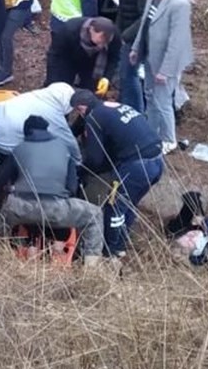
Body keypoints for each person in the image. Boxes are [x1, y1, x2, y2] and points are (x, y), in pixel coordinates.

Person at [0, 115, 105, 263]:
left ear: (26, 132)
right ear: (47, 130)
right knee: (94, 214)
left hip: (22, 209)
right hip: (57, 209)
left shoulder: (18, 150)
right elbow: (72, 187)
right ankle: (90, 269)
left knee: (2, 219)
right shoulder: (64, 149)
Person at [70, 90, 164, 257]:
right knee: (129, 204)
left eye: (78, 110)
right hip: (157, 161)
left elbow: (95, 159)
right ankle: (120, 244)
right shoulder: (113, 108)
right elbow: (78, 128)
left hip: (137, 166)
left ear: (81, 108)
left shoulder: (94, 118)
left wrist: (80, 171)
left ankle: (109, 250)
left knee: (115, 207)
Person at [130, 0, 194, 155]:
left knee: (163, 101)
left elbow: (177, 42)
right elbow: (145, 24)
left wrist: (166, 70)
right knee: (150, 96)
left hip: (167, 62)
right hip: (150, 57)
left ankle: (169, 140)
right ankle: (151, 132)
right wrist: (135, 48)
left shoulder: (179, 3)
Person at [0, 82, 80, 165]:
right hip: (7, 137)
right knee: (16, 162)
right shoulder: (52, 113)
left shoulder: (35, 95)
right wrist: (77, 161)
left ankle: (3, 167)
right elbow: (68, 141)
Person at [108, 0, 149, 111]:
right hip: (125, 34)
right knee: (125, 75)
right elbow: (122, 10)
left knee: (129, 75)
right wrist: (117, 31)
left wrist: (126, 35)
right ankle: (128, 104)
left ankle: (136, 110)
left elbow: (144, 17)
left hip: (137, 38)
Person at [45, 16, 121, 91]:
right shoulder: (69, 30)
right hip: (68, 58)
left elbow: (113, 57)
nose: (102, 45)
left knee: (90, 90)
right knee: (61, 87)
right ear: (91, 29)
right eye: (101, 38)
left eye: (106, 41)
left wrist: (106, 77)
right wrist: (53, 80)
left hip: (94, 63)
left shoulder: (114, 36)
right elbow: (55, 56)